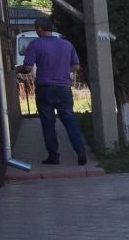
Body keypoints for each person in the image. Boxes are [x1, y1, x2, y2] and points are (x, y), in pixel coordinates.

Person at [16, 17, 88, 166]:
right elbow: (76, 67)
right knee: (70, 120)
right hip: (64, 89)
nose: (36, 31)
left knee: (48, 124)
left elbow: (28, 68)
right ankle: (80, 151)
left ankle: (54, 157)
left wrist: (18, 70)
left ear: (40, 28)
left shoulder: (35, 44)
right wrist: (63, 69)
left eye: (36, 28)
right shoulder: (67, 44)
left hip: (45, 89)